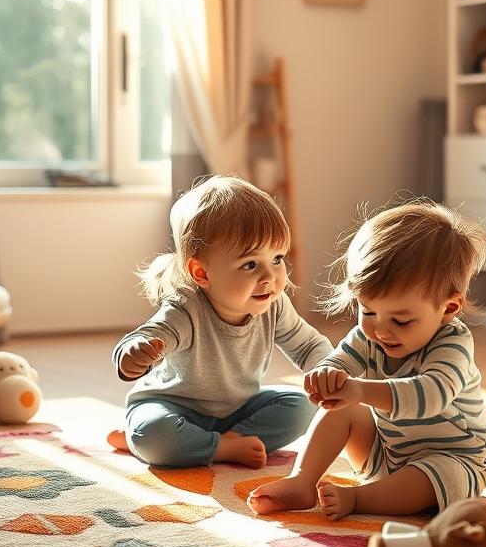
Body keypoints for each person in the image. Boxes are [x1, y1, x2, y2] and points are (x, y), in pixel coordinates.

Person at [248, 201, 486, 520]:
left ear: (448, 309)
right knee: (344, 406)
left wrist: (361, 391)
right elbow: (336, 363)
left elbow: (432, 394)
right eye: (368, 311)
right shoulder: (370, 337)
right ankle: (303, 480)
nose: (380, 329)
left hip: (455, 463)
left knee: (434, 471)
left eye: (401, 320)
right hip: (386, 456)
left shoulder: (453, 345)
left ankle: (359, 499)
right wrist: (326, 378)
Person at [111, 175, 333, 469]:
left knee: (303, 405)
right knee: (154, 434)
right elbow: (146, 337)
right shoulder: (185, 309)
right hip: (174, 408)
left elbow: (307, 346)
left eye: (277, 258)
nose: (270, 277)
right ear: (201, 273)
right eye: (250, 264)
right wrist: (134, 354)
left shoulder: (274, 304)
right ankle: (202, 446)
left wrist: (328, 370)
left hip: (239, 409)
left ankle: (223, 440)